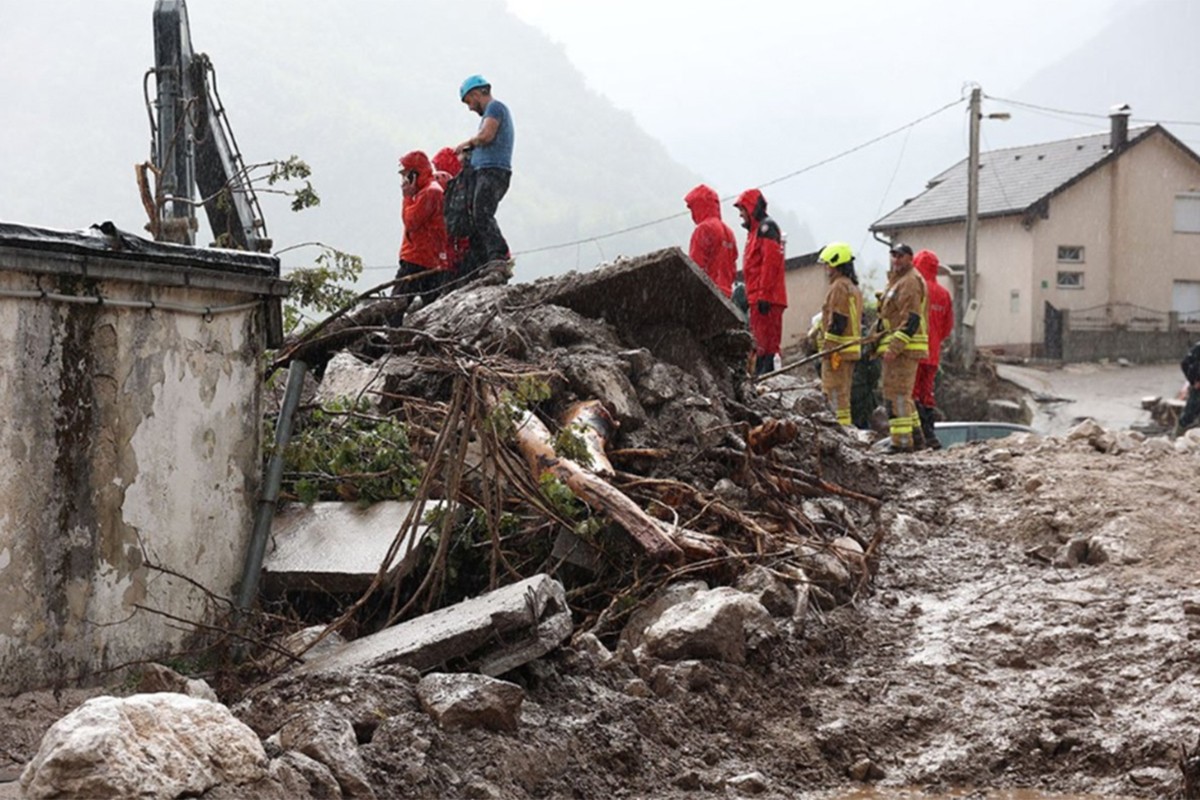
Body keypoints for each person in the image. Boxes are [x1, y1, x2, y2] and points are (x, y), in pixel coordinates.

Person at [454, 75, 514, 269]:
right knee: (476, 217)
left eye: (469, 102)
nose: (470, 107)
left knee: (482, 213)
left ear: (477, 93)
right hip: (485, 171)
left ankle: (499, 256)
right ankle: (482, 262)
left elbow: (487, 136)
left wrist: (468, 143)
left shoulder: (495, 108)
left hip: (493, 171)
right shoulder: (491, 111)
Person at [875, 242, 928, 452]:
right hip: (899, 348)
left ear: (910, 258)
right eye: (893, 255)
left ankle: (902, 444)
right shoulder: (898, 281)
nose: (896, 260)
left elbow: (911, 319)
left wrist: (894, 347)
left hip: (904, 350)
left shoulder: (910, 282)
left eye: (900, 256)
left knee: (896, 395)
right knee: (902, 395)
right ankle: (916, 439)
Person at [390, 150, 450, 325]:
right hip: (431, 261)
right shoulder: (429, 190)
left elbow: (411, 222)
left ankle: (390, 343)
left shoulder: (429, 193)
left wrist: (407, 198)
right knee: (432, 310)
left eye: (406, 175)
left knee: (395, 308)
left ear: (415, 174)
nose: (403, 180)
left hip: (417, 260)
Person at [734, 188, 787, 375]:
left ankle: (768, 379)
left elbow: (769, 264)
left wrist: (763, 294)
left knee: (767, 346)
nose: (740, 214)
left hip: (766, 299)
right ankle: (764, 378)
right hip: (759, 297)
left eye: (742, 209)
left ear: (752, 208)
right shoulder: (756, 231)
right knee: (760, 345)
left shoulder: (766, 229)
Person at [815, 242, 864, 427]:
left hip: (838, 351)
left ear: (836, 264)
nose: (826, 268)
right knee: (843, 394)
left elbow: (838, 320)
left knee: (834, 392)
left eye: (828, 264)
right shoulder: (853, 287)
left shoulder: (839, 287)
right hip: (849, 350)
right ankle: (843, 428)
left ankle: (837, 429)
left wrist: (828, 348)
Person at [912, 249, 954, 449]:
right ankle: (930, 433)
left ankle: (919, 434)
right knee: (927, 393)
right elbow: (947, 328)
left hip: (914, 351)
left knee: (911, 393)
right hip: (933, 354)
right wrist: (934, 340)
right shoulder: (944, 294)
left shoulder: (916, 289)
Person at [684, 184, 737, 297]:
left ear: (699, 206)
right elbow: (732, 268)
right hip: (726, 294)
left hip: (708, 293)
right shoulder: (729, 232)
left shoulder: (703, 229)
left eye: (693, 208)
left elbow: (695, 266)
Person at [1177, 340, 1200, 434]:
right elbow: (1185, 364)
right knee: (1189, 414)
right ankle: (1179, 435)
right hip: (1197, 388)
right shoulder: (1198, 349)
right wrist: (1194, 381)